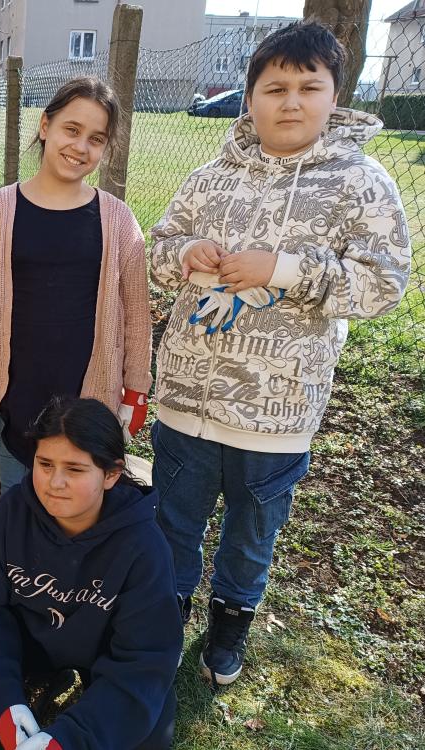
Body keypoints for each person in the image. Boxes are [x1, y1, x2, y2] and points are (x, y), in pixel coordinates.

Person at [150, 21, 411, 686]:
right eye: (275, 88)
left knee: (250, 535)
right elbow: (157, 250)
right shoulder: (210, 178)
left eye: (308, 87)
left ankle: (227, 632)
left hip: (276, 414)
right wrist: (186, 254)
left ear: (335, 95)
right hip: (185, 402)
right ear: (250, 97)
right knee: (172, 525)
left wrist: (284, 269)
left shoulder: (362, 184)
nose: (290, 102)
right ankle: (160, 625)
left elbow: (383, 286)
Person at [0, 397, 182, 750]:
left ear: (110, 474)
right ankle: (40, 682)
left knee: (150, 738)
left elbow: (146, 657)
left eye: (75, 469)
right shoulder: (13, 511)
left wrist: (69, 738)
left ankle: (90, 697)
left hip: (106, 655)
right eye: (45, 464)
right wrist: (7, 700)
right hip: (33, 639)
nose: (54, 482)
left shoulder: (143, 543)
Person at [0, 77, 153, 493]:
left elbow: (137, 316)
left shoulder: (119, 221)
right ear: (45, 126)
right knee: (19, 507)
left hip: (90, 406)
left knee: (80, 512)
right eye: (71, 129)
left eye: (96, 139)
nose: (81, 147)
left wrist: (136, 391)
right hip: (17, 401)